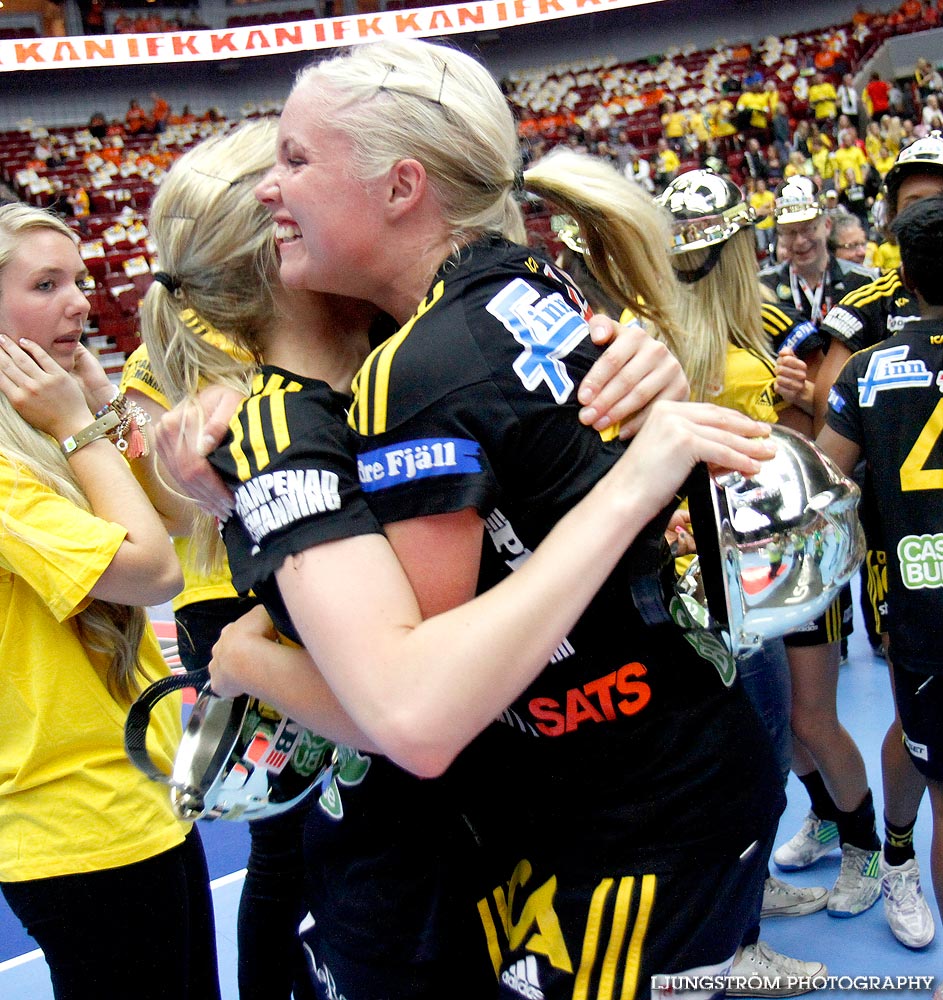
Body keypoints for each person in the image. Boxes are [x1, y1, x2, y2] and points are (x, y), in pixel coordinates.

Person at [162, 40, 784, 1000]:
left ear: (401, 184)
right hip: (646, 772)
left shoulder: (412, 369)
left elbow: (413, 709)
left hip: (626, 808)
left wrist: (239, 653)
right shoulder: (510, 283)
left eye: (297, 162)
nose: (271, 194)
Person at [0, 202, 219, 1000]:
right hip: (76, 822)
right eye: (47, 283)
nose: (80, 301)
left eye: (82, 279)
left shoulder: (40, 433)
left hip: (137, 793)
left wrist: (102, 410)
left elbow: (179, 518)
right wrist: (80, 428)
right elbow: (154, 572)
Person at [658, 169, 827, 996]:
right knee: (750, 762)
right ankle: (736, 943)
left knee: (754, 752)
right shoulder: (691, 342)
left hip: (728, 576)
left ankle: (745, 903)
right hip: (715, 587)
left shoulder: (712, 326)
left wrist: (788, 406)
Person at [805, 132, 943, 950]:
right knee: (911, 724)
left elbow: (825, 481)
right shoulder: (859, 327)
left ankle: (894, 852)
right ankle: (895, 856)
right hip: (909, 596)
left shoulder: (867, 363)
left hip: (913, 579)